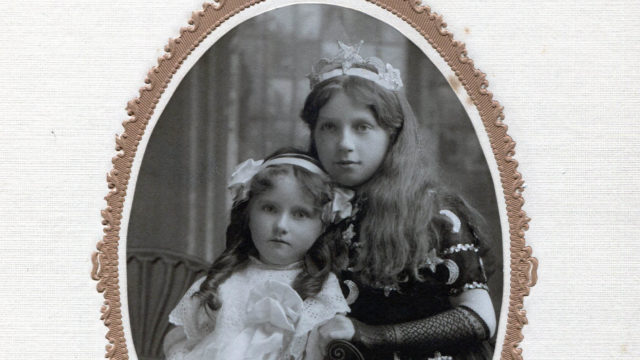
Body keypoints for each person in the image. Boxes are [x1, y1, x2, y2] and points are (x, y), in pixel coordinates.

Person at [300, 42, 497, 360]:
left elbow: (479, 318)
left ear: (392, 134)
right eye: (329, 127)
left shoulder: (436, 213)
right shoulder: (307, 210)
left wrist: (370, 335)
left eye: (362, 127)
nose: (344, 144)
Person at [163, 150, 354, 360]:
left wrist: (338, 329)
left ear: (322, 226)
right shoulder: (224, 283)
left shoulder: (321, 288)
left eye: (300, 214)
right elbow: (180, 342)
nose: (281, 226)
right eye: (269, 208)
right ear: (248, 215)